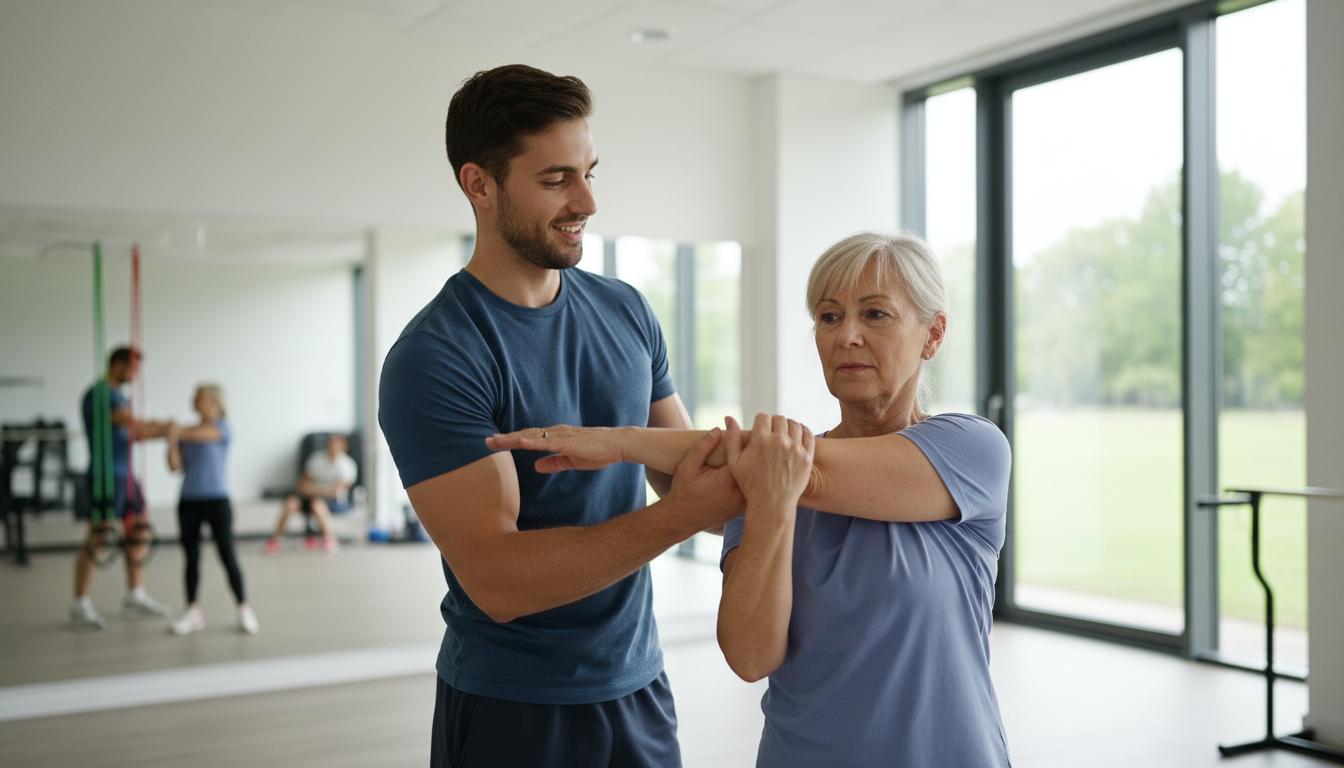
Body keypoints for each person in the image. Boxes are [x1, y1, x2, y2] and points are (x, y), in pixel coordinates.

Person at [489, 232, 1014, 766]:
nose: (846, 336)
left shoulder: (970, 450)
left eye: (875, 315)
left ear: (933, 334)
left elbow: (819, 476)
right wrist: (769, 503)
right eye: (829, 318)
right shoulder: (769, 476)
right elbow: (750, 655)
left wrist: (625, 441)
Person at [378, 64, 741, 767]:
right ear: (479, 185)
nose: (586, 202)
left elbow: (684, 466)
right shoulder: (438, 354)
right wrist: (681, 513)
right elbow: (501, 582)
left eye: (589, 173)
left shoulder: (626, 310)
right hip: (514, 706)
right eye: (555, 180)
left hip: (637, 685)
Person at [70, 346, 174, 630]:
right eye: (132, 368)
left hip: (126, 475)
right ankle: (80, 602)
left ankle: (134, 594)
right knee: (99, 535)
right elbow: (132, 425)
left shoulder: (119, 397)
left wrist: (165, 432)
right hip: (105, 475)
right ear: (117, 364)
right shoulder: (102, 394)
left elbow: (132, 435)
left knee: (139, 528)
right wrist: (164, 428)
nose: (135, 375)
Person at [164, 384, 258, 635]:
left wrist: (174, 431)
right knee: (191, 558)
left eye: (200, 398)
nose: (195, 401)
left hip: (217, 501)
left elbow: (204, 435)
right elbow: (175, 466)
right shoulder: (186, 432)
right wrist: (171, 441)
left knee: (227, 556)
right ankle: (192, 611)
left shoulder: (222, 428)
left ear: (215, 403)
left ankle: (244, 608)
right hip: (189, 501)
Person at [264, 433, 356, 555]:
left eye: (336, 445)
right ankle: (275, 540)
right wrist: (318, 489)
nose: (333, 447)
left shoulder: (347, 465)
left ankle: (329, 539)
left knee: (317, 505)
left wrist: (314, 489)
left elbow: (335, 491)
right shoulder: (316, 460)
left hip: (333, 501)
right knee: (290, 503)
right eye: (331, 444)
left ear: (343, 447)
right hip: (309, 497)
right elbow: (302, 485)